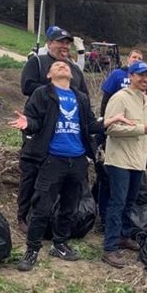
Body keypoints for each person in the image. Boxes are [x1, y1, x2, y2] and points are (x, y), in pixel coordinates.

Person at [9, 61, 114, 271]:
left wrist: (109, 121)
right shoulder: (42, 93)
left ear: (72, 75)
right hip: (52, 160)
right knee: (42, 207)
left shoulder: (81, 98)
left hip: (77, 160)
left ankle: (60, 243)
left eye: (65, 66)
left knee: (70, 206)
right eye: (56, 65)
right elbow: (35, 122)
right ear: (49, 74)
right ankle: (32, 251)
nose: (62, 66)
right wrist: (28, 123)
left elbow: (89, 125)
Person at [17, 26, 88, 233]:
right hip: (39, 125)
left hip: (65, 132)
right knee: (31, 172)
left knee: (54, 178)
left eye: (67, 42)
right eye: (60, 42)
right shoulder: (37, 62)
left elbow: (82, 94)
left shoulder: (73, 68)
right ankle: (22, 215)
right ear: (49, 44)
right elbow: (26, 87)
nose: (64, 46)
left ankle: (48, 216)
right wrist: (53, 86)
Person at [102, 61, 147, 268]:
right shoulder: (119, 98)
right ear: (130, 76)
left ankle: (123, 235)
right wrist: (140, 129)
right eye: (141, 75)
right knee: (118, 202)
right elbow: (110, 128)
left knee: (130, 202)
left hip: (138, 161)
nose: (145, 79)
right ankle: (110, 247)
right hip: (119, 160)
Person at [100, 49, 144, 117]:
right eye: (134, 57)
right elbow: (106, 97)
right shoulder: (117, 74)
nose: (136, 60)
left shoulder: (144, 79)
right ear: (128, 59)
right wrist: (102, 116)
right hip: (116, 114)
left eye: (139, 59)